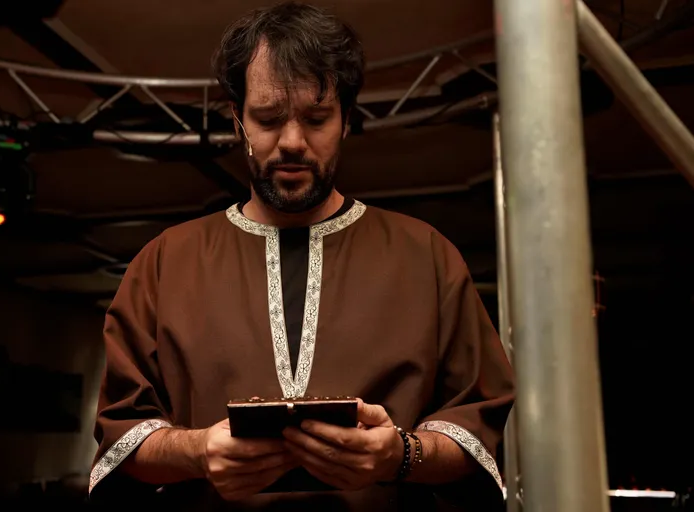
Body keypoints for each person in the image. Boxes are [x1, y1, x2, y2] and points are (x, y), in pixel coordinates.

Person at [89, 3, 514, 510]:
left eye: (316, 118)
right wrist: (198, 451)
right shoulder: (163, 263)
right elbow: (121, 434)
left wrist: (400, 454)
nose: (292, 141)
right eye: (268, 119)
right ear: (238, 121)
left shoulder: (427, 255)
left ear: (347, 121)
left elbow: (477, 427)